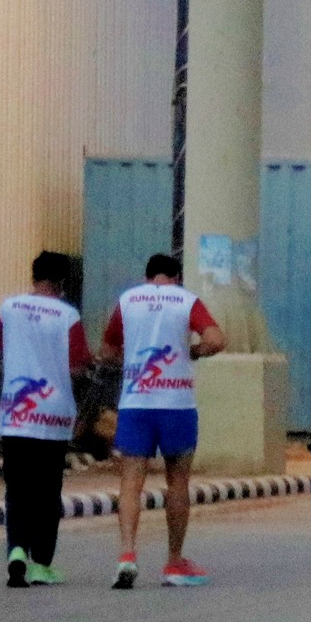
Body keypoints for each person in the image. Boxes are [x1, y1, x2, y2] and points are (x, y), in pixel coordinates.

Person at [100, 251, 225, 588]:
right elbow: (216, 340)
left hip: (136, 404)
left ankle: (127, 555)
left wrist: (131, 360)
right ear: (177, 278)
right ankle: (174, 562)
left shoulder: (128, 301)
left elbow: (107, 351)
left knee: (131, 482)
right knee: (178, 482)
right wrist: (192, 352)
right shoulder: (186, 300)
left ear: (147, 277)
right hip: (176, 405)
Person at [0, 251, 91, 588]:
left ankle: (16, 551)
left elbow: (2, 350)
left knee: (17, 488)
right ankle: (41, 563)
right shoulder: (67, 315)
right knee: (47, 491)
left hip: (16, 413)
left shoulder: (8, 308)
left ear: (34, 276)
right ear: (62, 282)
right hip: (53, 415)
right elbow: (78, 365)